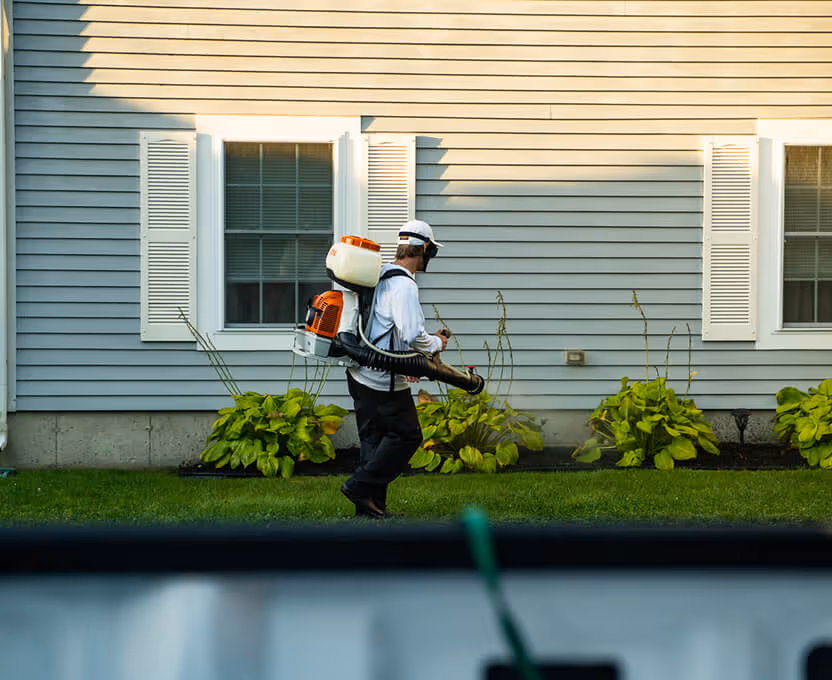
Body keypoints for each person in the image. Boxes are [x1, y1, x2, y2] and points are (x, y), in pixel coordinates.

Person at [340, 220, 449, 519]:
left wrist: (407, 361)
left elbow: (384, 327)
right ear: (424, 249)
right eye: (432, 253)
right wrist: (436, 344)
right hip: (382, 380)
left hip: (361, 373)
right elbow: (411, 334)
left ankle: (370, 508)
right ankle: (359, 486)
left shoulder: (381, 275)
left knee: (374, 440)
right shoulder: (404, 285)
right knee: (408, 436)